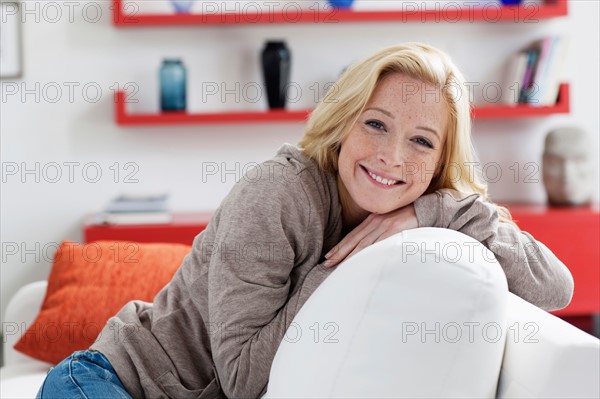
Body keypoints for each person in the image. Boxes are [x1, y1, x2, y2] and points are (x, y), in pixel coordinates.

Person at [37, 42, 573, 398]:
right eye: (377, 124)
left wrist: (430, 208)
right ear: (343, 124)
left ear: (439, 162)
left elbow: (556, 286)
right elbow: (243, 380)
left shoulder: (426, 210)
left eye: (421, 141)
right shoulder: (278, 195)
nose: (391, 156)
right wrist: (344, 266)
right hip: (113, 383)